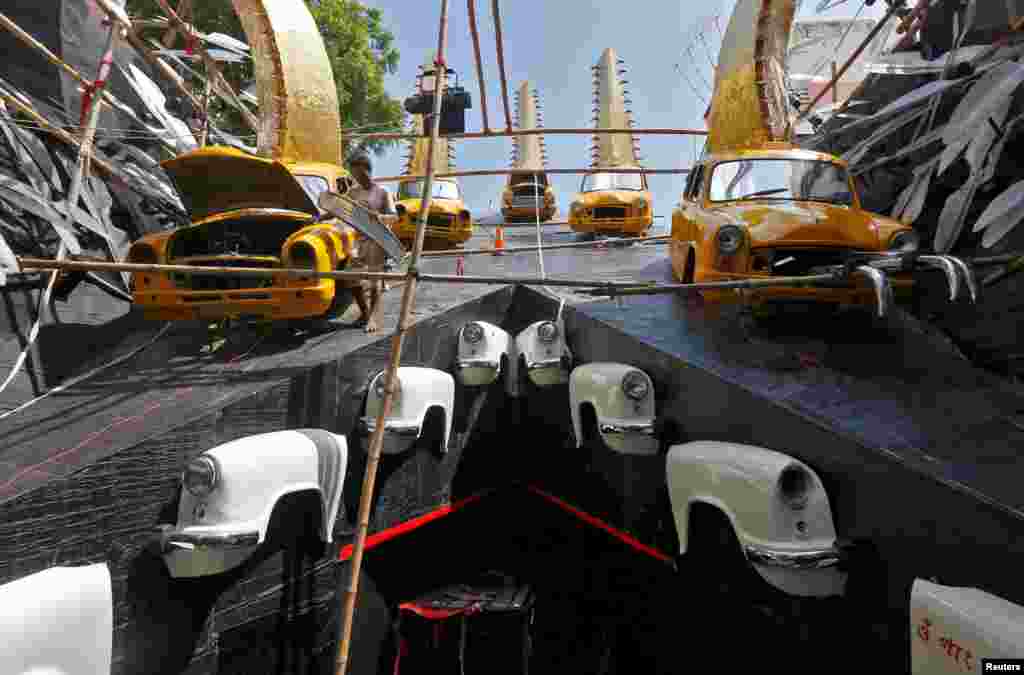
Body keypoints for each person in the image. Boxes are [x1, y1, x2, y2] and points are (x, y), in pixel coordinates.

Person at [346, 151, 396, 333]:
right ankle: (365, 313)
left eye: (360, 174)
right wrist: (323, 215)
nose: (358, 177)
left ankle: (373, 319)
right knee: (350, 277)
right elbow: (342, 208)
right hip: (360, 240)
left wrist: (379, 216)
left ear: (368, 170)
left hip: (378, 239)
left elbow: (393, 216)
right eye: (354, 174)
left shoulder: (383, 191)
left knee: (375, 282)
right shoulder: (353, 192)